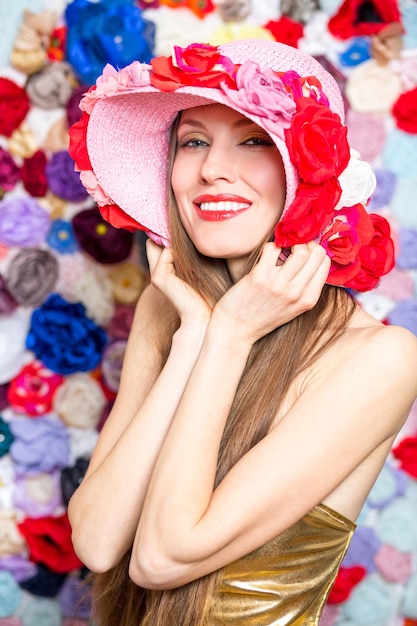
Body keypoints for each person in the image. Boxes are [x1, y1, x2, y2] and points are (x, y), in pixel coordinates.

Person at [67, 39, 417, 626]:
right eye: (194, 141)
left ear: (305, 172)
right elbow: (99, 541)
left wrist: (227, 337)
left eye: (253, 140)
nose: (211, 170)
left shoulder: (381, 358)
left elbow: (161, 558)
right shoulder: (170, 310)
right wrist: (196, 335)